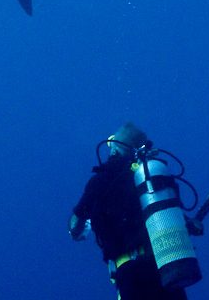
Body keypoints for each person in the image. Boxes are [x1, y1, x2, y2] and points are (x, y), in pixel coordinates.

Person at [69, 123, 200, 300]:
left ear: (115, 148)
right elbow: (172, 213)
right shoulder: (152, 179)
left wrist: (77, 230)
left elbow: (77, 222)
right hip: (165, 268)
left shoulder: (100, 182)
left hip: (130, 275)